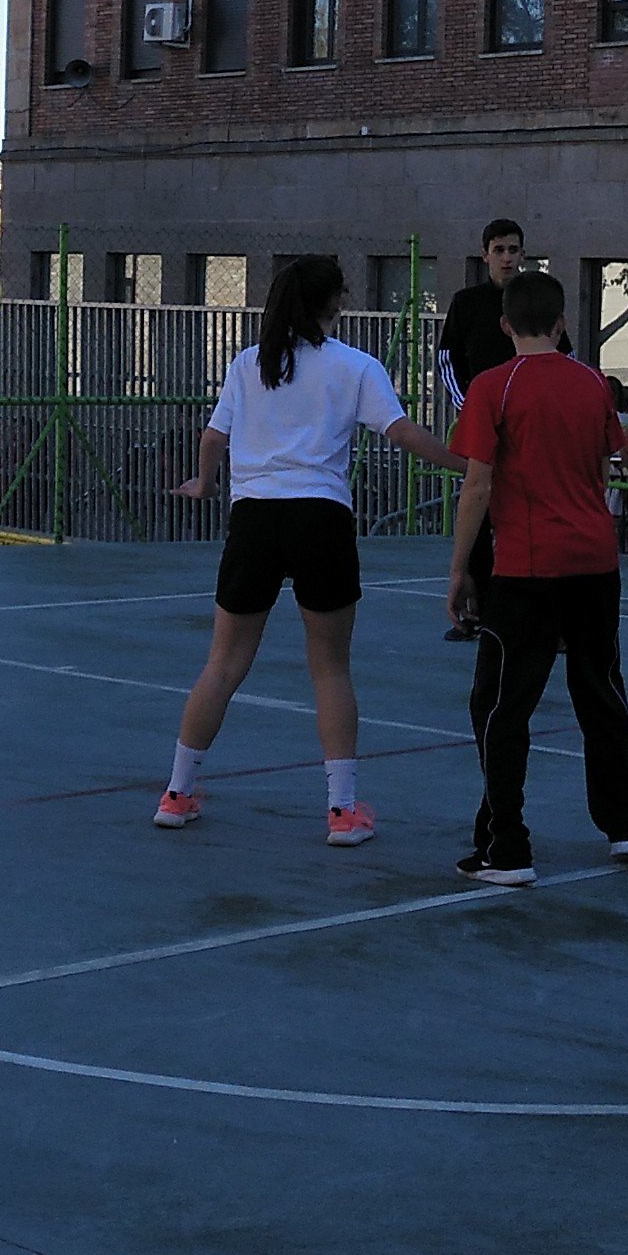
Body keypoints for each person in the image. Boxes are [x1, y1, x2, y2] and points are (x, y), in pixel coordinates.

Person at [153, 254, 464, 845]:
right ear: (334, 303)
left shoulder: (250, 364)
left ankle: (177, 792)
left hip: (256, 520)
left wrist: (203, 482)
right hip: (321, 518)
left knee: (223, 664)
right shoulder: (356, 366)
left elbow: (214, 435)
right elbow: (401, 432)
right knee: (330, 668)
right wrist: (469, 464)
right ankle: (342, 811)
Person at [446, 268, 628, 881]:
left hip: (526, 566)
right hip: (594, 561)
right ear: (562, 322)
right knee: (601, 692)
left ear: (506, 325)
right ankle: (626, 826)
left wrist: (459, 570)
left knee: (502, 705)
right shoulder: (593, 384)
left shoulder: (493, 387)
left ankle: (507, 844)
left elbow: (478, 484)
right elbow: (605, 468)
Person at [435, 219, 529, 638]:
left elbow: (562, 354)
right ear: (486, 253)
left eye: (514, 249)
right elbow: (446, 358)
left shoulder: (534, 301)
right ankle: (477, 610)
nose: (507, 257)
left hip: (525, 426)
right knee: (476, 512)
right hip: (481, 421)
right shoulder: (467, 302)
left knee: (523, 512)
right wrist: (468, 405)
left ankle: (537, 615)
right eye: (499, 249)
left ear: (523, 254)